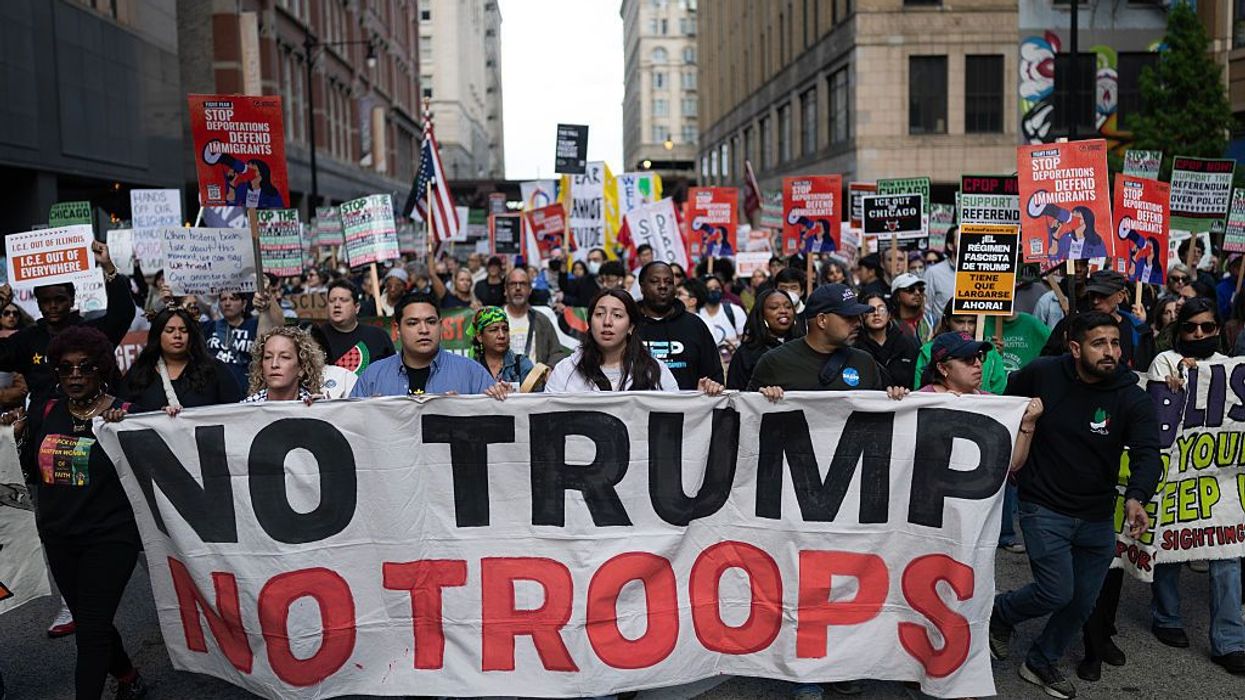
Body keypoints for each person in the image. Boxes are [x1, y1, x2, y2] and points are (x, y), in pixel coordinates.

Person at [990, 312, 1161, 700]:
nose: (1110, 352)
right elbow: (1002, 406)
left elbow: (1148, 452)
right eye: (1099, 343)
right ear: (1074, 348)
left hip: (1097, 515)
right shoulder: (1043, 373)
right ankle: (1000, 613)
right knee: (1056, 591)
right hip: (1042, 505)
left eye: (1115, 343)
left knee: (1083, 601)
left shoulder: (1130, 395)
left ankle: (1040, 659)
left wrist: (1137, 496)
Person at [8, 326, 147, 699]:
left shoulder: (127, 414)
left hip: (111, 538)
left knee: (90, 630)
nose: (74, 375)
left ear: (101, 368)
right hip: (59, 537)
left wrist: (138, 428)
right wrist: (14, 433)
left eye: (85, 367)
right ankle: (129, 677)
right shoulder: (47, 410)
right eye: (65, 368)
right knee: (91, 621)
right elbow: (26, 466)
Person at [1143, 298, 1245, 674]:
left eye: (1207, 327)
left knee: (1227, 557)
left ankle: (1230, 642)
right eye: (1191, 328)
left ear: (1218, 329)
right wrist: (1173, 389)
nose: (1199, 334)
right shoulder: (1164, 362)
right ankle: (1166, 617)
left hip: (1221, 481)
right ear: (1179, 331)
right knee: (1171, 547)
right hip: (1176, 474)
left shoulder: (1230, 369)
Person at [0, 240, 135, 410]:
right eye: (46, 301)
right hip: (44, 426)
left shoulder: (93, 333)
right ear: (39, 304)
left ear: (72, 299)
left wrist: (108, 267)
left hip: (93, 422)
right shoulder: (28, 339)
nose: (53, 306)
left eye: (60, 299)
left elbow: (123, 314)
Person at [545, 289, 722, 394]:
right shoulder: (565, 372)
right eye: (599, 314)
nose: (607, 322)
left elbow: (676, 423)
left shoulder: (656, 372)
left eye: (617, 315)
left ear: (631, 326)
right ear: (590, 323)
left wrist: (699, 400)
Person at [917, 331, 1042, 470]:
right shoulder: (921, 400)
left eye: (979, 356)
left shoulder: (992, 403)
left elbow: (1012, 464)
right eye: (968, 359)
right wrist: (895, 399)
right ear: (943, 368)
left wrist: (1028, 424)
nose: (978, 364)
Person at [350, 292, 501, 397]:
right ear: (397, 329)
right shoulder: (373, 376)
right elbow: (351, 424)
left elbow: (496, 423)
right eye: (413, 323)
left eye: (431, 322)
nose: (424, 330)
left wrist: (463, 410)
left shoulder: (471, 373)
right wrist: (371, 412)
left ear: (441, 326)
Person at [747, 283, 886, 394]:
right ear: (822, 320)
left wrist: (896, 397)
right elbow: (748, 413)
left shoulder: (866, 363)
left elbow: (880, 416)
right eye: (849, 317)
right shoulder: (774, 363)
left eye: (858, 317)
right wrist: (764, 398)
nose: (857, 323)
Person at [119, 307, 244, 412]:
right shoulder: (140, 372)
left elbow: (238, 410)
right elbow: (121, 407)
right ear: (158, 335)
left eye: (183, 330)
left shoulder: (214, 370)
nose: (177, 336)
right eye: (170, 331)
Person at [636, 262, 724, 390]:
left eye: (669, 282)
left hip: (689, 408)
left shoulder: (695, 325)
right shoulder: (629, 325)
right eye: (655, 281)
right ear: (642, 287)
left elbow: (714, 375)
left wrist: (710, 387)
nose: (662, 286)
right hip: (639, 408)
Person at [1044, 270, 1154, 371]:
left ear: (1120, 296)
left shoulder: (1139, 330)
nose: (1096, 301)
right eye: (1092, 295)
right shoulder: (1070, 325)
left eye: (1103, 295)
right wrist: (1065, 352)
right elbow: (1047, 364)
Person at [912, 300, 1007, 394]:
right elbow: (919, 394)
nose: (966, 328)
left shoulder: (990, 351)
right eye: (959, 322)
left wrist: (979, 397)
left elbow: (999, 396)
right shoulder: (926, 351)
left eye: (972, 322)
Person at [726, 288, 800, 390]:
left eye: (788, 307)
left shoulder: (803, 346)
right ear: (762, 314)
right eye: (774, 307)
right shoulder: (745, 354)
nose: (783, 311)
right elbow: (735, 394)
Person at [320, 279, 396, 375]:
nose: (337, 305)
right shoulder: (316, 338)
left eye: (343, 300)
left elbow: (393, 372)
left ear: (356, 308)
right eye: (332, 300)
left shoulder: (378, 337)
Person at [502, 268, 569, 366]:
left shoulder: (542, 320)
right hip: (501, 380)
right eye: (513, 284)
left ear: (530, 290)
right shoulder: (495, 320)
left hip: (535, 379)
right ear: (506, 289)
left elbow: (557, 353)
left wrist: (548, 368)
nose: (518, 288)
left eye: (523, 284)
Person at [241, 326, 325, 403]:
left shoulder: (315, 406)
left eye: (284, 357)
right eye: (268, 357)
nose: (274, 364)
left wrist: (321, 411)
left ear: (302, 368)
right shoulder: (245, 409)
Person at [854, 292, 919, 390]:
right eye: (870, 310)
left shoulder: (907, 344)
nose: (876, 314)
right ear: (862, 316)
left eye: (881, 309)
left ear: (889, 315)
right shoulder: (855, 347)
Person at [468, 306, 542, 387]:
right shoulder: (471, 368)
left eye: (505, 329)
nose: (502, 335)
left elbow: (536, 398)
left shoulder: (521, 365)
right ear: (479, 337)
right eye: (494, 330)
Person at [698, 275, 747, 352]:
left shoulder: (734, 310)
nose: (713, 291)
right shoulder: (697, 315)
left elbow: (745, 337)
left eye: (717, 288)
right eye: (709, 289)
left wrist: (735, 344)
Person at [923, 228, 957, 326]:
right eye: (961, 238)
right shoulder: (933, 273)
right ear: (950, 246)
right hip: (943, 336)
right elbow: (926, 310)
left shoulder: (979, 273)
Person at [889, 273, 934, 342]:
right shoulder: (890, 325)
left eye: (921, 289)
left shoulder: (932, 321)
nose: (917, 293)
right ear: (897, 296)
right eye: (910, 289)